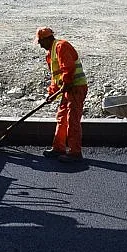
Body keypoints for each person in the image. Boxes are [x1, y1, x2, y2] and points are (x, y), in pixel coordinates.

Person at [36, 26, 88, 162]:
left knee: (72, 120)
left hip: (76, 87)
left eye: (40, 42)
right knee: (62, 117)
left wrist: (66, 83)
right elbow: (56, 77)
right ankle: (58, 147)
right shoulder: (50, 53)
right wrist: (51, 93)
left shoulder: (61, 46)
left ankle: (75, 152)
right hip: (67, 89)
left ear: (47, 39)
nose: (40, 45)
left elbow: (68, 68)